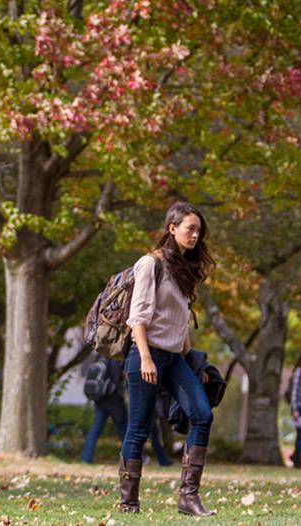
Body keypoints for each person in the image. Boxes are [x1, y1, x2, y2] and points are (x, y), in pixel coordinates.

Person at [117, 202, 217, 516]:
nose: (196, 235)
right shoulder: (150, 264)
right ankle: (128, 500)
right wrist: (146, 359)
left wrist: (192, 363)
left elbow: (180, 322)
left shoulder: (183, 269)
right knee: (139, 427)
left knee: (202, 414)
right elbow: (138, 318)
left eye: (199, 230)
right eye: (190, 228)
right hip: (146, 355)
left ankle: (189, 497)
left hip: (174, 359)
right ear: (171, 228)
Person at [81, 355, 173, 466]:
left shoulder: (101, 356)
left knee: (95, 429)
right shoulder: (116, 358)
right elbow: (118, 378)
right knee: (124, 430)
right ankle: (133, 457)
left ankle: (86, 457)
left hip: (100, 399)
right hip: (114, 399)